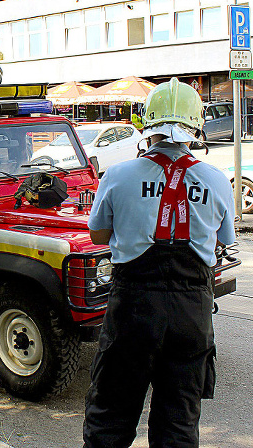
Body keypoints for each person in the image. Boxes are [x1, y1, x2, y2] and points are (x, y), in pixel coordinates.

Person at [83, 77, 236, 448]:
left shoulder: (118, 175)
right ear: (195, 126)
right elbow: (223, 242)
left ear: (147, 126)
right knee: (179, 423)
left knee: (111, 417)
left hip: (133, 307)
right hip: (190, 311)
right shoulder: (217, 180)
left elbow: (98, 236)